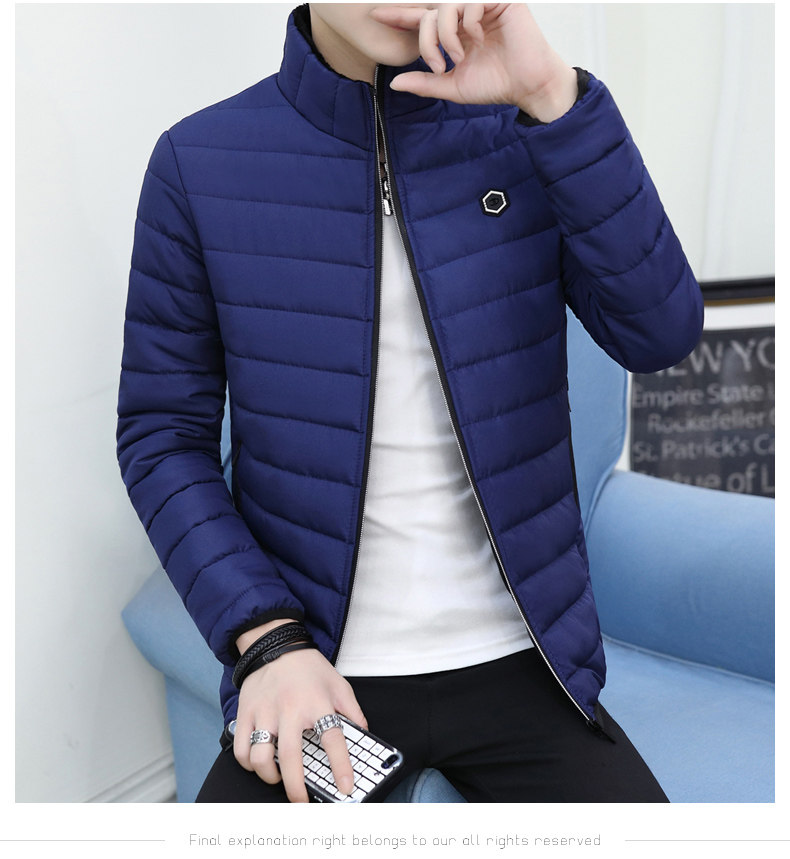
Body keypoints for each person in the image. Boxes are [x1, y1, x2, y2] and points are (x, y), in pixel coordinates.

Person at [117, 3, 703, 803]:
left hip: (527, 664)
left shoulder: (523, 132)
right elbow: (161, 438)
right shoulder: (200, 162)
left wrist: (548, 93)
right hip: (320, 666)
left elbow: (661, 332)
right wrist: (269, 641)